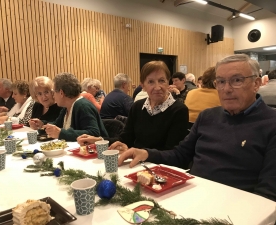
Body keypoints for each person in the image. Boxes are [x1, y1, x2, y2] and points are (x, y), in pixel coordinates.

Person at [118, 54, 276, 201]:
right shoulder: (207, 116)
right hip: (190, 195)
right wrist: (146, 153)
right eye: (220, 82)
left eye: (237, 80)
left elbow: (268, 194)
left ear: (256, 83)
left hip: (233, 205)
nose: (226, 89)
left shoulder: (271, 123)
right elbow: (180, 155)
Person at [78, 60, 189, 152]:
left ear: (168, 82)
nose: (157, 87)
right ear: (143, 86)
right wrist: (99, 140)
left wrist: (141, 153)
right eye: (151, 82)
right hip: (136, 164)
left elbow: (173, 153)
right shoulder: (137, 107)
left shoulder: (179, 110)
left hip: (162, 170)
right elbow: (125, 139)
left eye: (161, 80)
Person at [31, 73, 108, 141]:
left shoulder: (83, 106)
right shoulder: (66, 107)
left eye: (53, 92)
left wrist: (62, 133)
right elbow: (57, 124)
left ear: (61, 93)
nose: (53, 95)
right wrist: (42, 125)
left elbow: (94, 133)